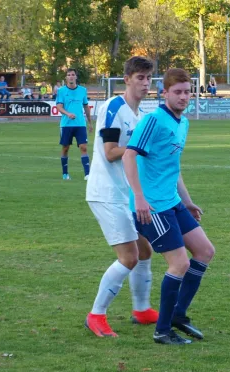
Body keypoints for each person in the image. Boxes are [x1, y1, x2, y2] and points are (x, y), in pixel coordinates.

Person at [122, 68, 215, 345]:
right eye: (178, 92)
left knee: (205, 251)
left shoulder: (183, 123)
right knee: (179, 263)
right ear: (165, 93)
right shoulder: (153, 120)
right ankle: (162, 330)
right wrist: (139, 197)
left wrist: (186, 201)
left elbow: (173, 168)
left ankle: (178, 315)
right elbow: (128, 156)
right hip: (151, 208)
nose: (184, 97)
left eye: (187, 91)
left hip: (172, 203)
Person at [85, 56, 159, 337]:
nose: (145, 83)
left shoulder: (140, 116)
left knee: (144, 252)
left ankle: (142, 310)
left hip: (124, 194)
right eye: (139, 78)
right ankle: (96, 315)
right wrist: (139, 150)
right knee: (129, 257)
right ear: (126, 79)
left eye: (148, 78)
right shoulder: (114, 107)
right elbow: (110, 151)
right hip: (105, 193)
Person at [55, 68, 93, 180]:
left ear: (76, 77)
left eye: (73, 74)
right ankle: (65, 174)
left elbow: (86, 106)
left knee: (83, 147)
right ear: (66, 77)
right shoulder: (61, 91)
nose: (71, 76)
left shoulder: (82, 90)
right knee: (65, 148)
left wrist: (90, 123)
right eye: (68, 75)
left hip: (80, 124)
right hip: (66, 124)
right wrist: (68, 114)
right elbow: (58, 107)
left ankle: (87, 174)